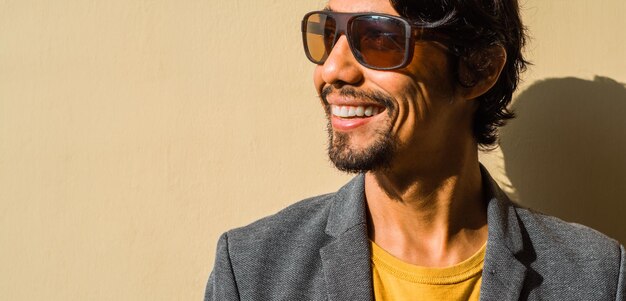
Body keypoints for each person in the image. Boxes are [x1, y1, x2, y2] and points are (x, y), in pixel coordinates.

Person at [205, 0, 625, 300]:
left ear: (478, 68)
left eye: (378, 38)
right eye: (327, 33)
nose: (331, 69)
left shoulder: (596, 277)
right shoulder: (252, 269)